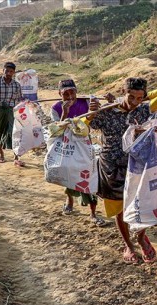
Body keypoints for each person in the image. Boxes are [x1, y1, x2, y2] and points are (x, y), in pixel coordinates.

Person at [88, 77, 157, 264]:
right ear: (122, 92)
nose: (134, 102)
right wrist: (92, 112)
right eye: (130, 96)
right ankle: (128, 245)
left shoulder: (143, 110)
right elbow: (86, 125)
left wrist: (144, 97)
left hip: (135, 166)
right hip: (110, 167)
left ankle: (141, 238)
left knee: (137, 205)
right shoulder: (106, 112)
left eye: (139, 97)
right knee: (119, 209)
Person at [50, 79, 108, 227]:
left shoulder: (85, 103)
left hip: (84, 145)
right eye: (65, 94)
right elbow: (56, 130)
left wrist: (102, 105)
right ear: (59, 94)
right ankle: (69, 199)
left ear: (76, 91)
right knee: (70, 171)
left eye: (72, 92)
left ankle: (93, 213)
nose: (69, 96)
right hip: (67, 145)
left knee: (87, 175)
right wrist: (65, 113)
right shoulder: (56, 108)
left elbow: (94, 119)